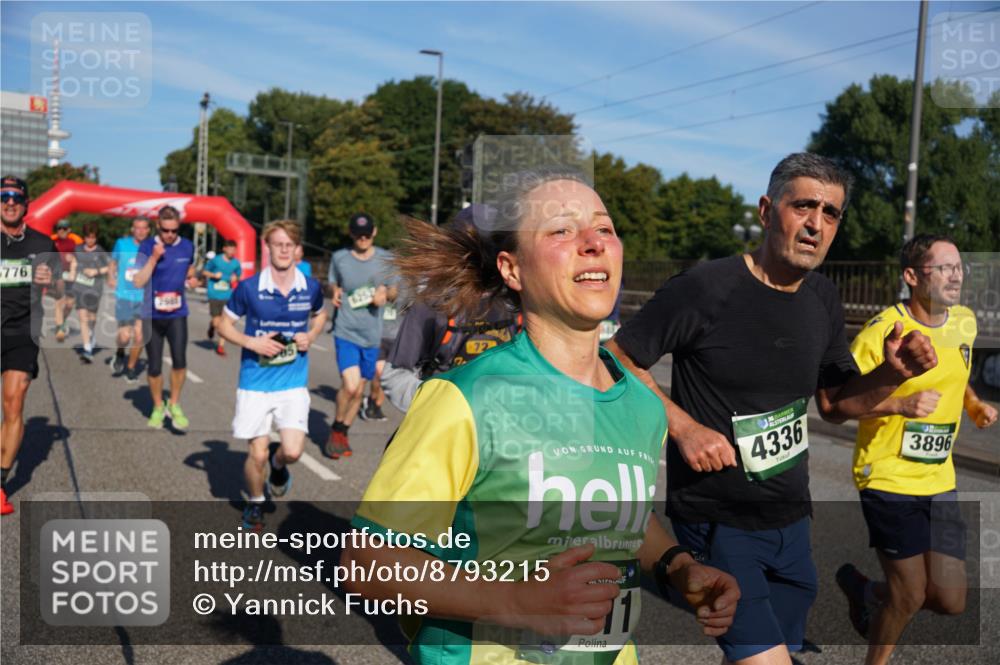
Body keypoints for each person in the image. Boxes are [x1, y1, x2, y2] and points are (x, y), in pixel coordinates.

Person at [342, 169, 740, 665]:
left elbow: (622, 517)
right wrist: (519, 603)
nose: (593, 243)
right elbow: (368, 563)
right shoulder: (463, 398)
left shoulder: (639, 404)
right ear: (513, 270)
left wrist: (679, 566)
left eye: (605, 228)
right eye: (561, 230)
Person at [606, 153, 938, 665]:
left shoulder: (822, 297)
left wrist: (892, 373)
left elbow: (834, 403)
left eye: (830, 213)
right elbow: (617, 356)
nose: (816, 224)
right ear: (766, 210)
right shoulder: (706, 287)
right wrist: (684, 427)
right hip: (718, 520)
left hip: (791, 522)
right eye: (803, 206)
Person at [835, 234, 998, 665]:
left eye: (959, 266)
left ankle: (868, 592)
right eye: (943, 267)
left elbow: (957, 370)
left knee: (949, 599)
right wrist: (899, 403)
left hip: (939, 478)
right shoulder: (881, 333)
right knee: (909, 595)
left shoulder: (964, 321)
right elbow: (840, 403)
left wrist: (974, 403)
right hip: (887, 474)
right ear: (911, 276)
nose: (956, 274)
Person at [215, 220, 327, 531]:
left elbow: (321, 314)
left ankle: (280, 467)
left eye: (288, 245)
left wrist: (312, 335)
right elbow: (222, 324)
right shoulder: (249, 288)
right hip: (255, 383)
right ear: (267, 248)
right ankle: (254, 503)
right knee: (258, 453)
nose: (283, 250)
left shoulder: (310, 287)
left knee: (291, 451)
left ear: (298, 250)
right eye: (277, 244)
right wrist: (251, 341)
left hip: (292, 383)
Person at [379, 205, 522, 414]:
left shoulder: (521, 303)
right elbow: (395, 375)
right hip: (447, 430)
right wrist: (445, 407)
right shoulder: (433, 305)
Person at [1, 175, 61, 516]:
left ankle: (0, 484)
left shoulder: (42, 243)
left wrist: (49, 281)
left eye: (16, 198)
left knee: (14, 401)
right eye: (4, 196)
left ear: (26, 204)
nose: (10, 202)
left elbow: (58, 289)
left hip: (22, 332)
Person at [325, 212, 397, 459]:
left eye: (367, 234)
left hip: (371, 335)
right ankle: (336, 428)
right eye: (358, 234)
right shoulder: (340, 258)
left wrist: (385, 294)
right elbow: (333, 283)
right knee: (351, 385)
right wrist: (334, 291)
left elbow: (396, 290)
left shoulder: (386, 259)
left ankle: (343, 430)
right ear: (351, 233)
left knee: (359, 391)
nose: (363, 238)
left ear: (374, 232)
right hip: (345, 330)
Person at [132, 205, 196, 430]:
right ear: (158, 226)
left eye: (174, 231)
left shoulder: (188, 246)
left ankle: (175, 403)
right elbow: (137, 281)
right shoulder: (147, 246)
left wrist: (191, 279)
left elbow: (188, 269)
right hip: (152, 315)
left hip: (177, 314)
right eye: (166, 230)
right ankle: (158, 406)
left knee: (180, 361)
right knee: (155, 367)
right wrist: (153, 259)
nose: (170, 235)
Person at [108, 216, 151, 382]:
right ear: (132, 229)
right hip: (125, 296)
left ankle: (131, 367)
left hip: (144, 297)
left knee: (140, 336)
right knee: (124, 337)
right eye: (137, 228)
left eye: (144, 228)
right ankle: (120, 352)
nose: (140, 231)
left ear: (148, 230)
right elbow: (113, 262)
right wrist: (111, 277)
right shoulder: (122, 243)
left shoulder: (153, 247)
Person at [69, 221, 110, 363]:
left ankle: (92, 334)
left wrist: (96, 271)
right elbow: (74, 263)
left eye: (93, 237)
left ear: (96, 237)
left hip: (95, 289)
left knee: (92, 319)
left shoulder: (100, 251)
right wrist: (72, 276)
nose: (90, 240)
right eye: (87, 237)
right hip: (79, 288)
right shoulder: (78, 248)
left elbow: (110, 267)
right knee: (83, 318)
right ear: (84, 237)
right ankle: (87, 350)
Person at [203, 239, 242, 356]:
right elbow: (204, 272)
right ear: (224, 249)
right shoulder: (216, 260)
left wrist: (236, 278)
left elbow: (239, 275)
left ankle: (220, 346)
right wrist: (214, 275)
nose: (232, 251)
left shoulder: (236, 263)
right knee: (216, 323)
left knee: (225, 322)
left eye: (234, 249)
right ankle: (212, 326)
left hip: (227, 295)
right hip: (214, 294)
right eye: (229, 248)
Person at [51, 218, 79, 342]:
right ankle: (59, 328)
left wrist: (73, 260)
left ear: (69, 230)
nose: (61, 230)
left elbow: (79, 259)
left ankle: (62, 320)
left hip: (71, 277)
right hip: (57, 276)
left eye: (64, 228)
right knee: (60, 302)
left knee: (69, 304)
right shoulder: (52, 242)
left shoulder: (74, 243)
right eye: (59, 228)